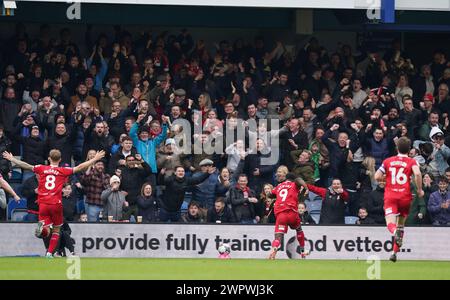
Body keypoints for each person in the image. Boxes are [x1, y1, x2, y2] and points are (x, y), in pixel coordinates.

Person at [2, 149, 105, 258]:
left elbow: (26, 165)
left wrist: (12, 159)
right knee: (57, 229)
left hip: (43, 203)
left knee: (46, 229)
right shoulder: (62, 170)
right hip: (55, 203)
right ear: (60, 160)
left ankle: (44, 232)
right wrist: (94, 159)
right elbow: (80, 167)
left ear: (49, 159)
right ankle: (50, 253)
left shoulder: (42, 168)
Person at [374, 137, 423, 262]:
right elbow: (417, 174)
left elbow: (376, 176)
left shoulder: (388, 161)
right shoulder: (412, 162)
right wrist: (419, 189)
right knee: (401, 225)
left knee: (390, 223)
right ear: (409, 149)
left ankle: (394, 232)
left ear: (397, 148)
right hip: (405, 197)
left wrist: (385, 180)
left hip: (391, 196)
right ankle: (394, 253)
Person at [268, 173, 309, 260]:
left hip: (281, 215)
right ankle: (302, 251)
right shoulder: (294, 184)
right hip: (292, 213)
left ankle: (274, 248)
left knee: (278, 236)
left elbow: (269, 194)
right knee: (299, 229)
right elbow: (299, 180)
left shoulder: (279, 186)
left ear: (286, 179)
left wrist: (274, 196)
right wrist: (305, 187)